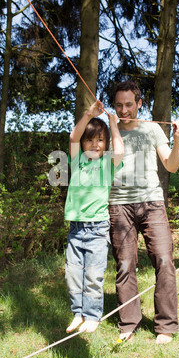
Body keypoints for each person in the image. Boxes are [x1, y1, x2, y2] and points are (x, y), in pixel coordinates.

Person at [108, 80, 179, 344]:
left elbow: (171, 165)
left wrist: (176, 140)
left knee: (163, 259)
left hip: (151, 202)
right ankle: (128, 322)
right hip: (118, 205)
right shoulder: (108, 130)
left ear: (139, 103)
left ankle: (165, 326)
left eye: (129, 104)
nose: (124, 110)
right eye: (119, 105)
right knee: (125, 263)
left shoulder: (152, 129)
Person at [64, 100, 124, 334]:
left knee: (93, 275)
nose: (94, 144)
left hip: (98, 228)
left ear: (106, 143)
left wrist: (113, 124)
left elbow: (120, 150)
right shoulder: (77, 159)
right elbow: (73, 137)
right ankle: (78, 313)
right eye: (90, 139)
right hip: (76, 228)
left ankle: (92, 316)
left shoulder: (108, 163)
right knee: (73, 274)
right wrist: (89, 114)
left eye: (100, 140)